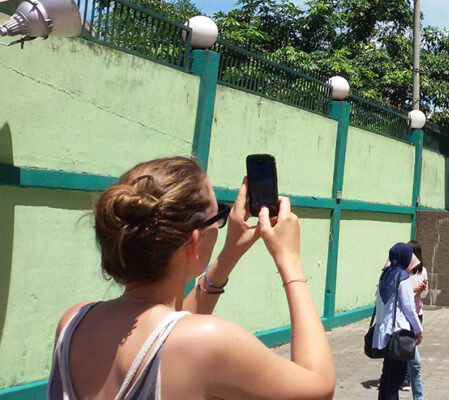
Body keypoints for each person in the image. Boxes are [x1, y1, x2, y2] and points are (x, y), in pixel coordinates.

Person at [48, 156, 334, 400]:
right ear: (194, 241)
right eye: (218, 216)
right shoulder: (206, 340)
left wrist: (226, 257)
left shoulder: (73, 321)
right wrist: (290, 262)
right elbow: (318, 388)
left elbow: (166, 330)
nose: (222, 223)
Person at [371, 243, 424, 400]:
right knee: (395, 380)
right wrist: (418, 330)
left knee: (387, 377)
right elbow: (409, 308)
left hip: (384, 334)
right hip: (399, 335)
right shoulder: (402, 278)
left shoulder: (385, 275)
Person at [401, 240, 429, 398]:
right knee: (407, 348)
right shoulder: (403, 272)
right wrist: (414, 290)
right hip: (405, 314)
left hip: (417, 313)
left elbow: (424, 294)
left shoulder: (422, 271)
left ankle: (406, 378)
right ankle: (405, 379)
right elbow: (402, 295)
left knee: (411, 347)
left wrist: (421, 290)